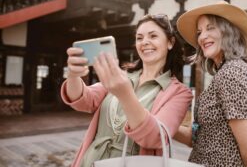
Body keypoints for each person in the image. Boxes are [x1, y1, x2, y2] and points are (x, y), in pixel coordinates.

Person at [61, 14, 193, 167]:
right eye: (139, 38)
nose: (145, 42)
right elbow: (83, 100)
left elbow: (155, 138)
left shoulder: (180, 93)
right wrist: (73, 75)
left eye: (153, 36)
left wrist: (125, 95)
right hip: (90, 161)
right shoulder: (122, 76)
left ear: (170, 42)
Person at [174, 1, 247, 167]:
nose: (202, 37)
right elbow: (197, 139)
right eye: (199, 32)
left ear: (228, 32)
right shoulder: (224, 73)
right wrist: (158, 122)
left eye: (210, 28)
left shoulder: (232, 73)